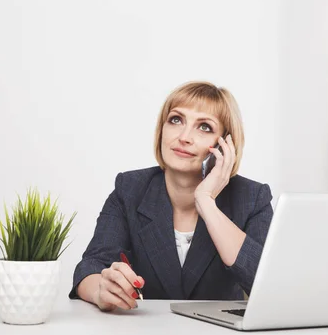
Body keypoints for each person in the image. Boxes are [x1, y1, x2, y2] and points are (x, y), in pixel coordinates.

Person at [68, 81, 274, 311]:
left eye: (204, 127)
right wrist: (101, 290)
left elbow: (269, 286)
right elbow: (90, 266)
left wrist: (206, 202)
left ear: (226, 145)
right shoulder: (130, 189)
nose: (184, 137)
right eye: (176, 120)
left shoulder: (252, 198)